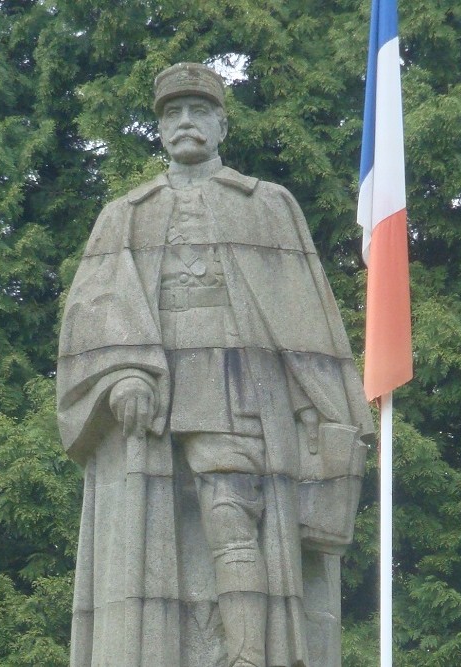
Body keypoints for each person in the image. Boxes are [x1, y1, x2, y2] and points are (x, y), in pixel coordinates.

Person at [58, 62, 373, 667]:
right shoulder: (125, 214)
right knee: (157, 533)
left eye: (197, 112)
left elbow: (306, 326)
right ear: (158, 129)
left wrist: (322, 416)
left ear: (221, 124)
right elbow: (95, 314)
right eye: (172, 113)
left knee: (232, 517)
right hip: (154, 395)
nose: (184, 123)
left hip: (239, 388)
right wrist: (124, 372)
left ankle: (249, 655)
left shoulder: (268, 206)